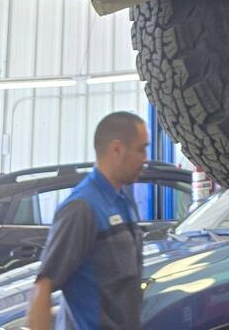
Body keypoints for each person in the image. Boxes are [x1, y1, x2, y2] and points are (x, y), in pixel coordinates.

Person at [27, 111, 149, 330]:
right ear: (117, 149)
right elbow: (42, 288)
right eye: (141, 149)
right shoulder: (81, 208)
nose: (145, 158)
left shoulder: (123, 203)